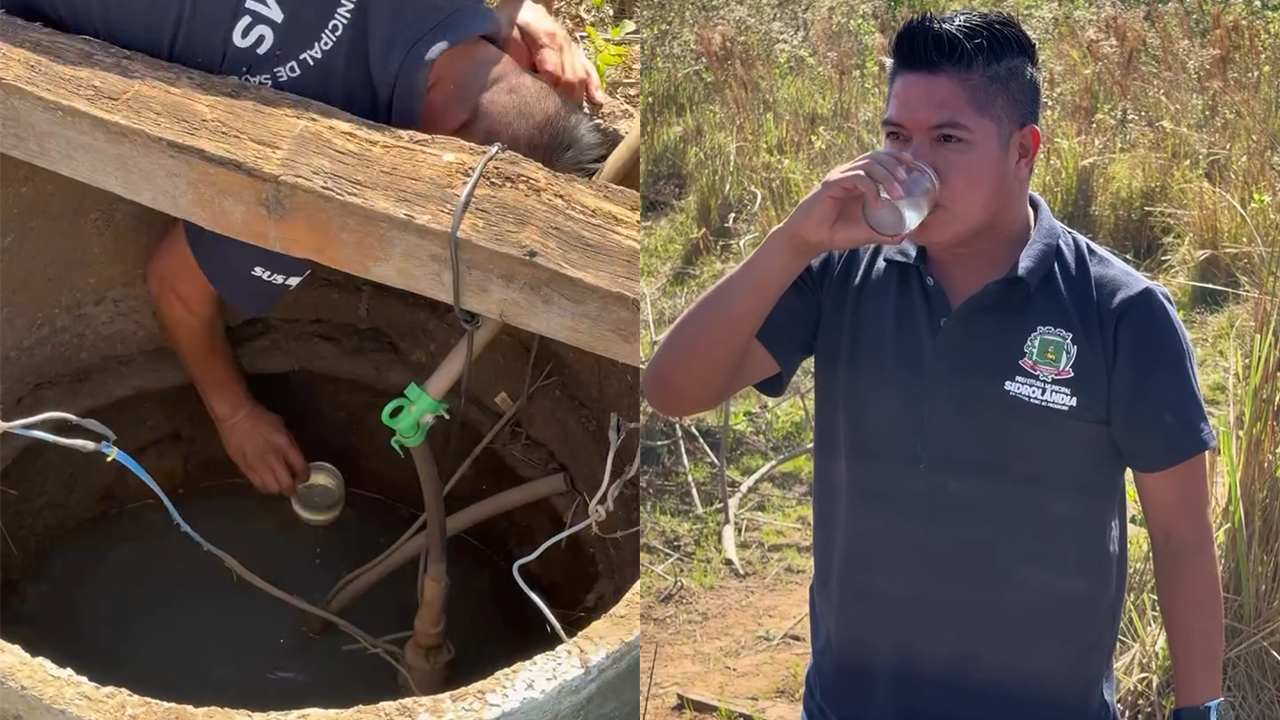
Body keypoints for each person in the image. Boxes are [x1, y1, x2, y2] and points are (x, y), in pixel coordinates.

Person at [643, 10, 1225, 720]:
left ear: (1023, 150)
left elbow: (1182, 536)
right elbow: (672, 389)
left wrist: (1201, 711)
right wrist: (792, 242)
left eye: (948, 139)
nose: (911, 166)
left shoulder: (1118, 312)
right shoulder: (841, 274)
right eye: (895, 136)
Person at [1, 0, 618, 496]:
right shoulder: (318, 163)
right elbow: (176, 287)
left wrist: (522, 11)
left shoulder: (487, 26)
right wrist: (234, 415)